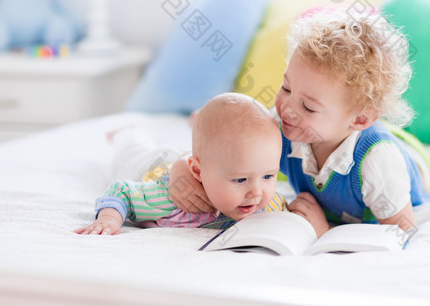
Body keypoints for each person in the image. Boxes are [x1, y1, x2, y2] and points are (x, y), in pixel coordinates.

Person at [169, 6, 430, 237]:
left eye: (308, 106)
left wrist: (326, 231)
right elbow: (224, 151)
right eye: (285, 88)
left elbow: (401, 231)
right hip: (346, 132)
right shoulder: (282, 125)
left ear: (360, 118)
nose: (287, 109)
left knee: (388, 149)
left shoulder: (379, 163)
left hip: (407, 159)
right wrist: (181, 169)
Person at [74, 93, 285, 235]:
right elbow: (122, 191)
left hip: (197, 160)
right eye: (240, 179)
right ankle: (129, 132)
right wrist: (109, 218)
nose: (257, 192)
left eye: (268, 176)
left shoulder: (266, 202)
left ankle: (199, 122)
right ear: (197, 172)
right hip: (154, 165)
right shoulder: (168, 199)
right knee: (131, 152)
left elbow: (287, 211)